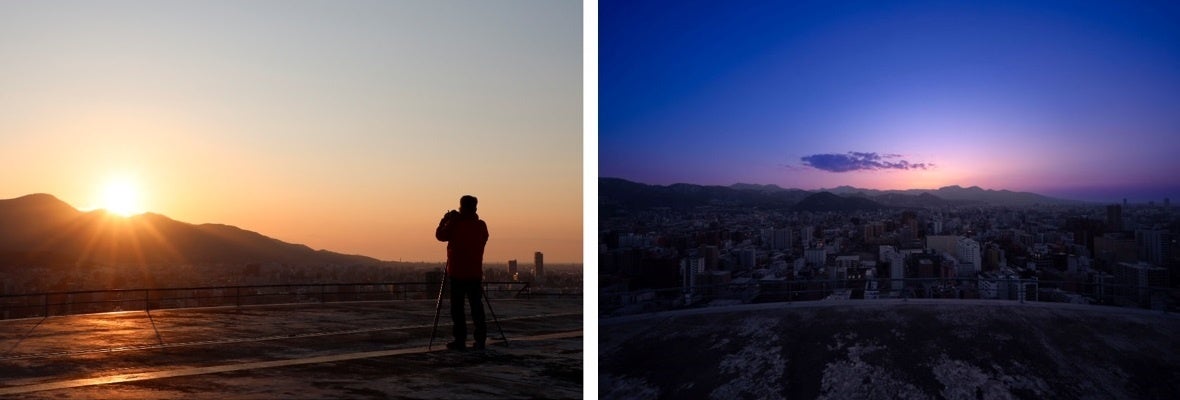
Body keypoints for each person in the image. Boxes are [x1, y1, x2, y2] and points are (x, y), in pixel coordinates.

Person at [435, 195, 489, 351]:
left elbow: (440, 236)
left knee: (457, 309)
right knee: (476, 308)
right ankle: (480, 339)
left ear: (461, 207)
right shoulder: (481, 225)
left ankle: (460, 340)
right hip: (474, 272)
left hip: (457, 273)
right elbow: (484, 239)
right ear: (475, 208)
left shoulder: (455, 224)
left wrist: (445, 220)